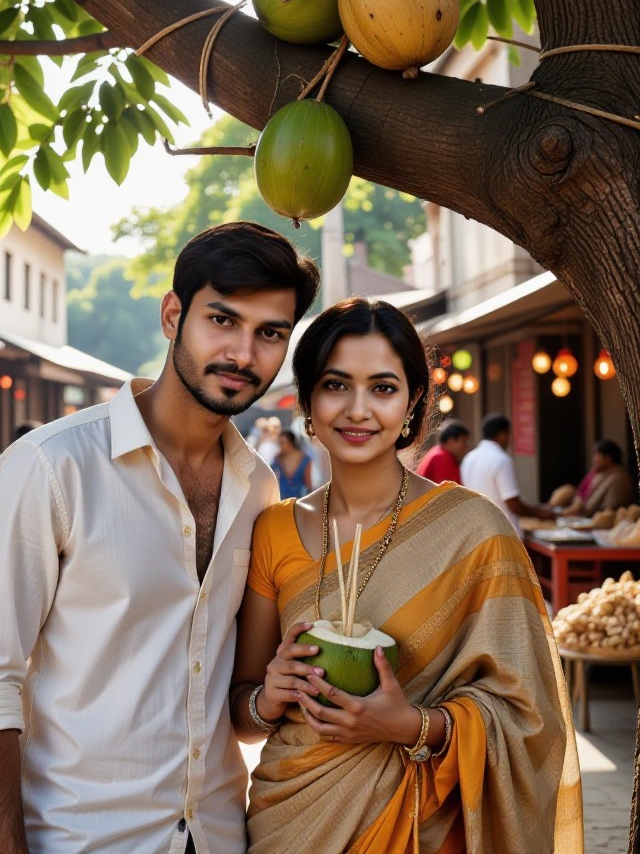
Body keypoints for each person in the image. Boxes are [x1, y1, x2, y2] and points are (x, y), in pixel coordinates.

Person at [0, 221, 320, 854]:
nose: (242, 353)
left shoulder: (257, 487)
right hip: (83, 838)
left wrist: (270, 697)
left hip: (220, 835)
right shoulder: (51, 467)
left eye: (270, 333)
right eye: (222, 320)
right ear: (173, 315)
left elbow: (226, 702)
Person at [230, 299, 581, 854]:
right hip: (290, 820)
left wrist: (411, 726)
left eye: (384, 388)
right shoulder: (274, 528)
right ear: (307, 400)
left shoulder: (474, 530)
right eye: (336, 384)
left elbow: (531, 719)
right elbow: (242, 713)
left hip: (422, 823)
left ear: (414, 401)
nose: (358, 409)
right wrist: (268, 699)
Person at [460, 412, 553, 535]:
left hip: (479, 532)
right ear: (503, 434)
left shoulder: (469, 458)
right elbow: (513, 504)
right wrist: (541, 513)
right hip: (504, 533)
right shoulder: (501, 459)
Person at [550, 439, 634, 517]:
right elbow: (580, 496)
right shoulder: (596, 474)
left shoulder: (619, 478)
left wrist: (579, 510)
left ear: (608, 458)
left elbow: (610, 509)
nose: (594, 460)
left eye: (597, 456)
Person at [416, 419, 470, 484]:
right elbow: (449, 491)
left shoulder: (438, 453)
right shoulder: (441, 457)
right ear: (451, 441)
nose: (466, 446)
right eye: (464, 442)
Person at [272, 430, 313, 499]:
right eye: (279, 443)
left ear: (291, 443)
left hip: (300, 500)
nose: (280, 446)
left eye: (282, 443)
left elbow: (308, 484)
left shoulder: (305, 459)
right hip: (282, 501)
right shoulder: (277, 459)